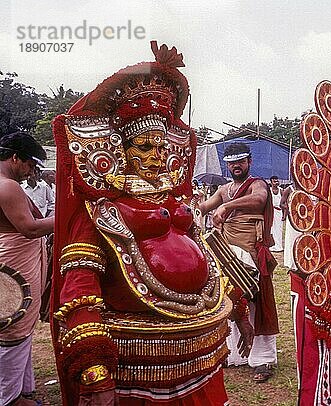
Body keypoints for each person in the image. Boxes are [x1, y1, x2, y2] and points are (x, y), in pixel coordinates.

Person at [50, 41, 252, 405]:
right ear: (119, 150)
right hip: (134, 364)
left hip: (200, 354)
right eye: (143, 146)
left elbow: (204, 255)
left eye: (160, 147)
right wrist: (95, 371)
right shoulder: (102, 208)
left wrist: (237, 304)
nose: (156, 156)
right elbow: (79, 282)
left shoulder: (178, 203)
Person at [198, 142, 279, 383]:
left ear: (249, 162)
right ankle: (234, 354)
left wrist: (227, 206)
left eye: (240, 162)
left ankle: (263, 359)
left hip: (252, 252)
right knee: (230, 299)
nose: (236, 166)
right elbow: (203, 207)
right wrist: (189, 203)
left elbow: (258, 200)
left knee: (257, 302)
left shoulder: (257, 184)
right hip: (226, 252)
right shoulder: (223, 189)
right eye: (232, 163)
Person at [0, 132, 55, 406]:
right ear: (14, 158)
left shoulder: (10, 186)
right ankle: (9, 399)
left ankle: (21, 390)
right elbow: (30, 228)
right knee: (14, 325)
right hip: (14, 268)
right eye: (31, 165)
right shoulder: (7, 186)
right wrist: (69, 216)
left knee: (19, 324)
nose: (32, 172)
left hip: (11, 265)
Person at [281, 182, 301, 270]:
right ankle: (292, 261)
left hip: (303, 219)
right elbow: (281, 203)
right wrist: (291, 208)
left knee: (302, 239)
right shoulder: (289, 189)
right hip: (292, 218)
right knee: (292, 239)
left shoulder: (305, 189)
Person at [269, 176, 284, 252]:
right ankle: (272, 245)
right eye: (275, 181)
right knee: (271, 229)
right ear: (271, 182)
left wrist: (284, 214)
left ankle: (279, 246)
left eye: (277, 181)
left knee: (279, 229)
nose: (277, 182)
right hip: (271, 211)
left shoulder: (281, 190)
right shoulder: (269, 190)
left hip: (279, 211)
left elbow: (284, 202)